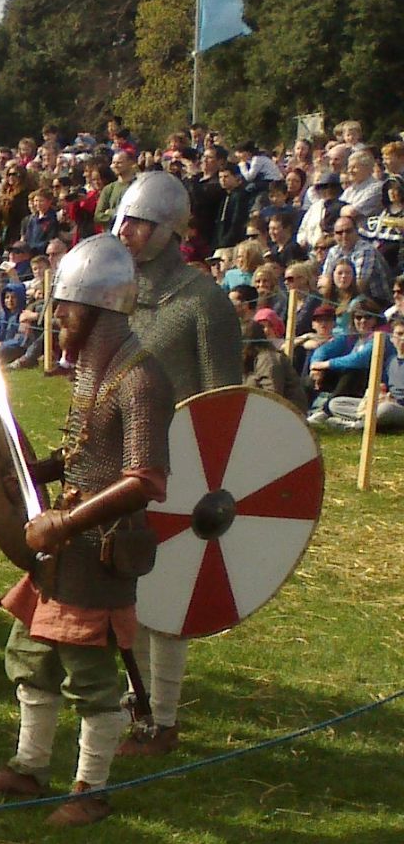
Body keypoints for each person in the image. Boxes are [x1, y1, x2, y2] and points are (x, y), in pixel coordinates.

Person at [0, 234, 169, 828]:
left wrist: (67, 521)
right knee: (30, 653)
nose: (57, 318)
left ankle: (91, 790)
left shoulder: (141, 379)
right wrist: (43, 472)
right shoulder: (93, 373)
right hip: (62, 550)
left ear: (100, 309)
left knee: (89, 677)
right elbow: (87, 455)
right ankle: (29, 768)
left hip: (100, 548)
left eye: (66, 308)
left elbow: (145, 480)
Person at [112, 172, 240, 757]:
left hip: (182, 464)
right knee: (124, 586)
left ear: (170, 230)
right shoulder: (117, 290)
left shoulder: (203, 301)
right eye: (122, 221)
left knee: (167, 595)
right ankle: (132, 705)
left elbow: (223, 404)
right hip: (121, 458)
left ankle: (161, 718)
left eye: (139, 223)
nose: (125, 232)